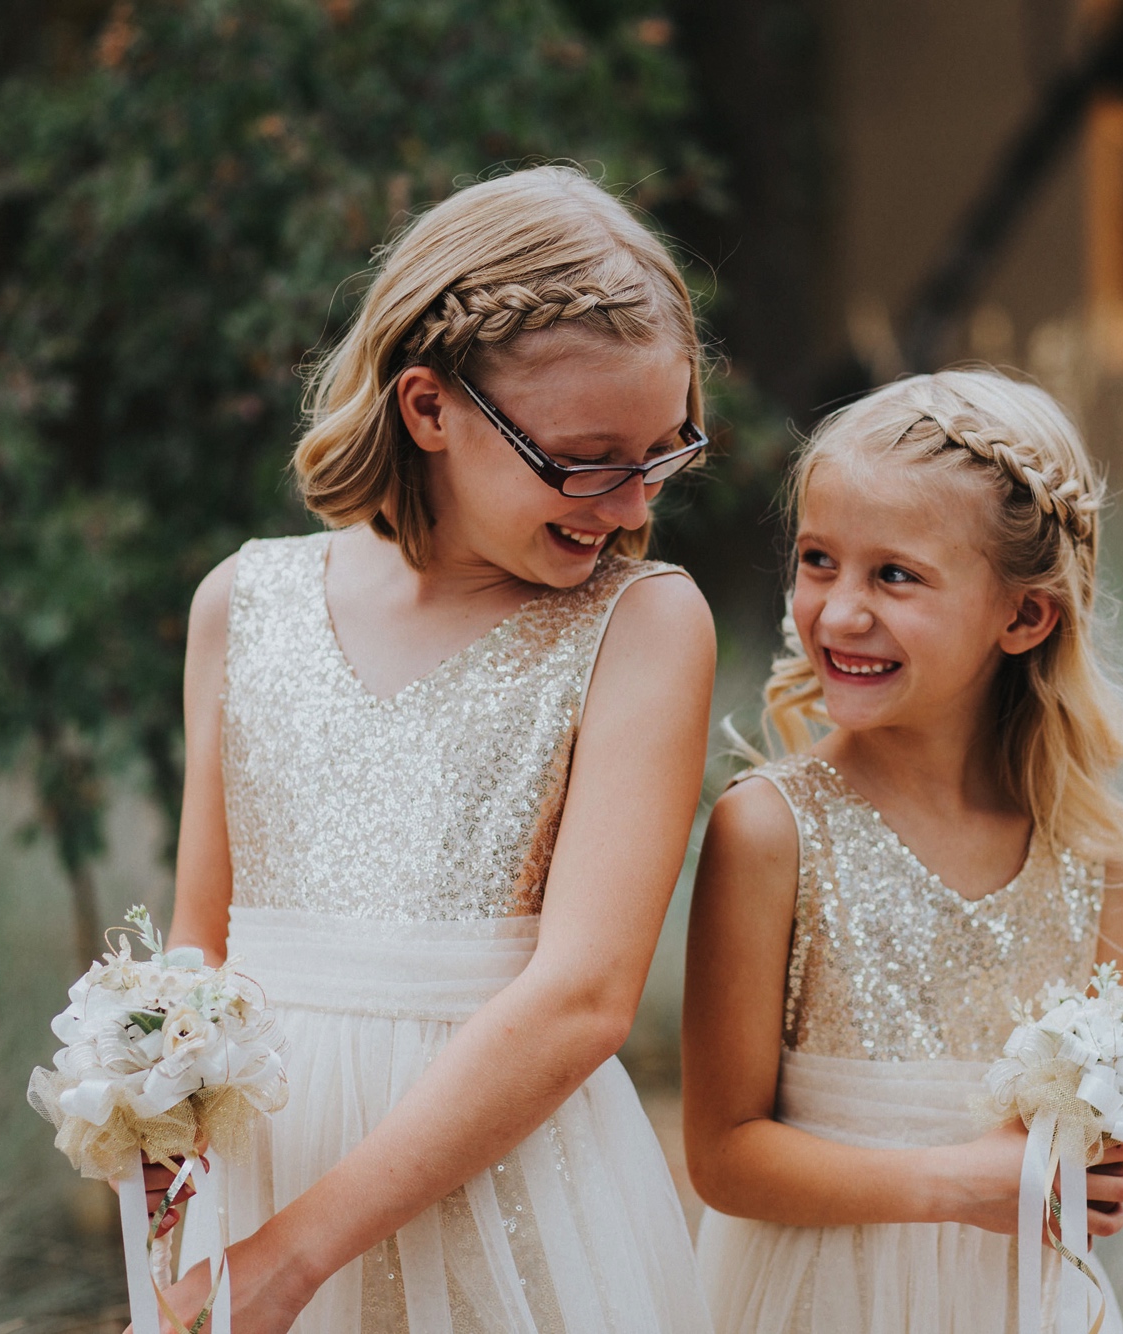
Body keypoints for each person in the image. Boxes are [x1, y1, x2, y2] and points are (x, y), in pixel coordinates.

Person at [144, 165, 717, 1333]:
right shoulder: (241, 605)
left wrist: (296, 1253)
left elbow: (582, 997)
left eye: (662, 452)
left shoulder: (643, 624)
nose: (627, 502)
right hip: (260, 1186)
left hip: (514, 1211)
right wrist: (157, 1145)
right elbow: (199, 945)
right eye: (585, 456)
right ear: (428, 409)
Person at [681, 369, 1123, 1333]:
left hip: (1021, 1303)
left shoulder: (1094, 852)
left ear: (1023, 617)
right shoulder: (771, 830)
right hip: (816, 1301)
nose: (840, 612)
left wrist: (1096, 1157)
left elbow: (1098, 1135)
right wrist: (955, 1183)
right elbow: (724, 1155)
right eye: (819, 560)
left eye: (894, 575)